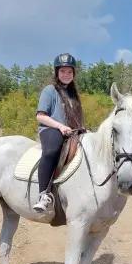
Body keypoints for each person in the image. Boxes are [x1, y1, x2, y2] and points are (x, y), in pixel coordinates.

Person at [33, 53, 84, 213]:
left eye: (69, 72)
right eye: (63, 71)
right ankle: (43, 195)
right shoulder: (50, 90)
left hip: (70, 132)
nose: (66, 75)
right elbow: (40, 116)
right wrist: (60, 127)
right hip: (50, 129)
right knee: (52, 149)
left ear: (73, 74)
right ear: (57, 73)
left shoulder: (73, 94)